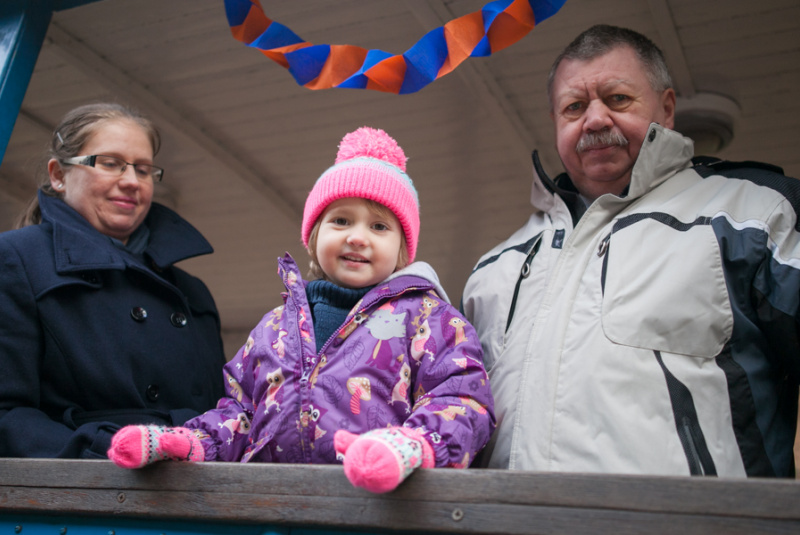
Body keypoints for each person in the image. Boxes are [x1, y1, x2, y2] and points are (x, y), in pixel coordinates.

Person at [462, 24, 800, 477]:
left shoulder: (754, 216)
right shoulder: (493, 269)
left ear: (667, 108)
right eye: (574, 107)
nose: (595, 120)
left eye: (618, 99)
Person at [107, 126, 496, 493]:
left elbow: (462, 400)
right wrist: (191, 442)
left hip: (381, 511)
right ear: (313, 237)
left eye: (379, 227)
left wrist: (412, 445)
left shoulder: (430, 320)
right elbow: (240, 411)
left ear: (403, 250)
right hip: (274, 508)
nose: (357, 237)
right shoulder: (274, 328)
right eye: (340, 220)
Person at [0, 102, 226, 459]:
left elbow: (223, 413)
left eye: (144, 169)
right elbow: (7, 415)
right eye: (109, 163)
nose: (131, 181)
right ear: (58, 175)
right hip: (89, 483)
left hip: (194, 482)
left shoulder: (192, 290)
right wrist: (108, 453)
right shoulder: (15, 259)